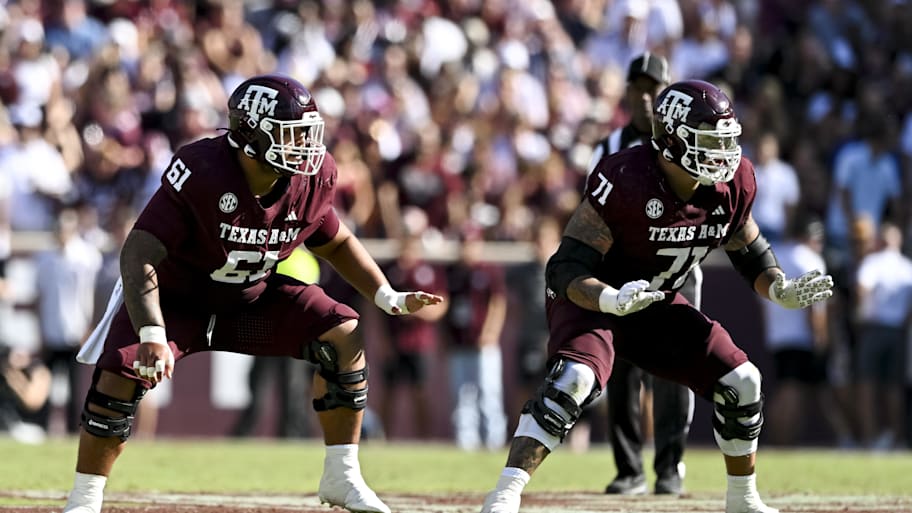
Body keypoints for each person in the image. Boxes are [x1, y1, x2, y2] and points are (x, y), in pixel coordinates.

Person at [61, 74, 443, 513]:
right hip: (177, 302)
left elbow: (335, 240)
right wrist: (151, 330)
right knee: (120, 374)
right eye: (291, 134)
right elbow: (138, 252)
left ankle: (342, 475)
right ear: (250, 134)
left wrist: (386, 295)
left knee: (343, 332)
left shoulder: (311, 178)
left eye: (307, 133)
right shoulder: (204, 169)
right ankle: (84, 500)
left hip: (250, 301)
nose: (305, 146)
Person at [480, 79, 834, 513]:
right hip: (593, 299)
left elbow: (749, 248)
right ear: (672, 139)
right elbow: (566, 268)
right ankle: (505, 493)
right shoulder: (626, 177)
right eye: (709, 141)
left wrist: (779, 287)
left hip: (653, 302)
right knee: (575, 381)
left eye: (726, 140)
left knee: (743, 382)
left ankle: (743, 499)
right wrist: (610, 299)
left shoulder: (733, 183)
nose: (724, 153)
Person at [588, 52, 696, 496]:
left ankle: (670, 466)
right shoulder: (608, 147)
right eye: (640, 89)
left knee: (676, 367)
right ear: (628, 94)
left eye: (656, 90)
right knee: (622, 369)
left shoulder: (689, 145)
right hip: (623, 269)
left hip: (675, 268)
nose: (647, 98)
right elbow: (591, 213)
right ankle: (629, 468)